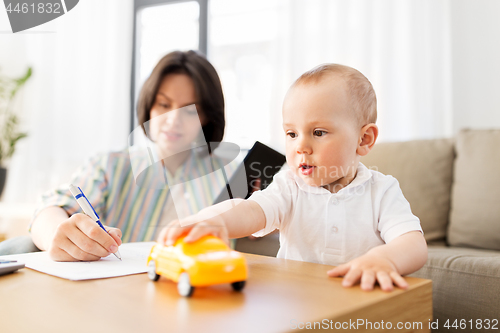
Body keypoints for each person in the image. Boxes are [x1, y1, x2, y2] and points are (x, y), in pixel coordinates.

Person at [159, 63, 428, 292]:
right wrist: (216, 221)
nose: (300, 146)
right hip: (296, 301)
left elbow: (413, 244)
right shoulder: (289, 186)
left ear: (364, 139)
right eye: (291, 134)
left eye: (319, 132)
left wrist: (385, 260)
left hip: (358, 302)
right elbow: (251, 210)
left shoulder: (381, 190)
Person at [23, 50, 236, 261]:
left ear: (207, 117)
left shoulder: (229, 175)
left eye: (190, 111)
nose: (173, 120)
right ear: (149, 104)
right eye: (164, 104)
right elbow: (52, 207)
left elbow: (257, 221)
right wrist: (55, 234)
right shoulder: (111, 165)